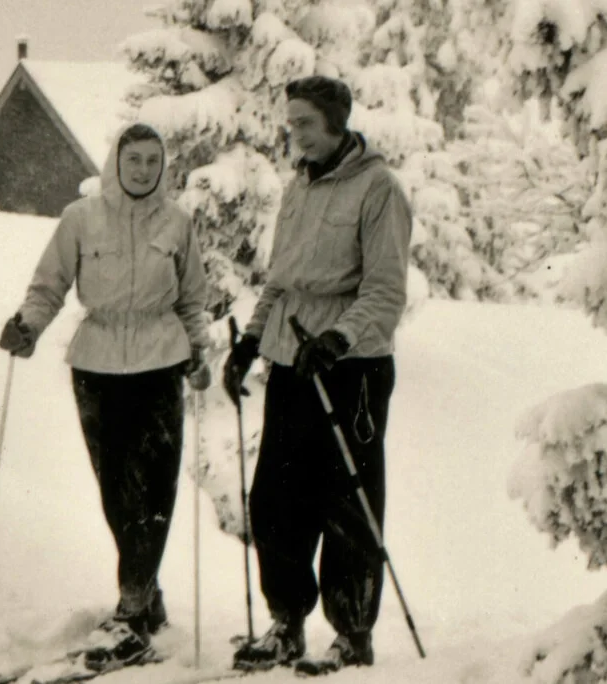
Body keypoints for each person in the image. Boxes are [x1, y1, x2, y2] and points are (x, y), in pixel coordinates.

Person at [0, 122, 212, 671]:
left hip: (160, 361)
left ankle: (132, 608)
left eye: (152, 161)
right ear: (115, 161)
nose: (143, 170)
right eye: (133, 159)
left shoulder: (178, 223)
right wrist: (28, 326)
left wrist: (198, 354)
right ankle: (145, 595)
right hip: (96, 366)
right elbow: (48, 285)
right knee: (118, 493)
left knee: (157, 488)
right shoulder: (81, 219)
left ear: (163, 167)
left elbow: (192, 300)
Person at [222, 75, 413, 675]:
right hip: (290, 360)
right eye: (290, 121)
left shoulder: (378, 188)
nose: (293, 132)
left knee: (346, 501)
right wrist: (250, 342)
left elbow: (385, 291)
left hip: (351, 368)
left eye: (303, 121)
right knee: (275, 499)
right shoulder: (296, 189)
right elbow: (279, 281)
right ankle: (286, 625)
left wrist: (337, 339)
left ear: (336, 120)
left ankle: (352, 634)